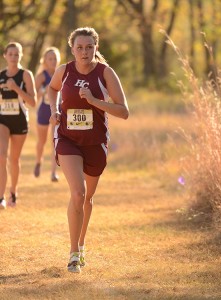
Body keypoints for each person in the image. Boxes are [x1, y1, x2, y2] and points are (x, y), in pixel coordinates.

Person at [48, 27, 129, 273]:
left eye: (89, 47)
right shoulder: (64, 71)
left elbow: (123, 112)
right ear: (72, 49)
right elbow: (52, 89)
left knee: (88, 198)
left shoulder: (106, 73)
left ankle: (82, 244)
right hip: (67, 139)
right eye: (80, 48)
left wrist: (94, 101)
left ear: (96, 48)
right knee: (78, 193)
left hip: (95, 143)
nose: (84, 52)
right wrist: (54, 110)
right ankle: (74, 254)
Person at [0, 42, 37, 209]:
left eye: (17, 54)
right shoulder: (0, 75)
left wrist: (16, 88)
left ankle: (13, 192)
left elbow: (33, 102)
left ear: (21, 56)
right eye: (11, 54)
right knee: (1, 157)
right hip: (3, 120)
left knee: (14, 159)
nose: (13, 57)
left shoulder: (25, 75)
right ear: (5, 56)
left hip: (20, 121)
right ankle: (0, 197)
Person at [33, 47, 61, 182]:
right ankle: (38, 161)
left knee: (55, 142)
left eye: (55, 58)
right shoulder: (41, 76)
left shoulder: (61, 73)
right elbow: (33, 98)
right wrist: (43, 92)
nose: (53, 61)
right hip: (44, 111)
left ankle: (53, 173)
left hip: (57, 111)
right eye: (50, 59)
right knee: (42, 141)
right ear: (45, 61)